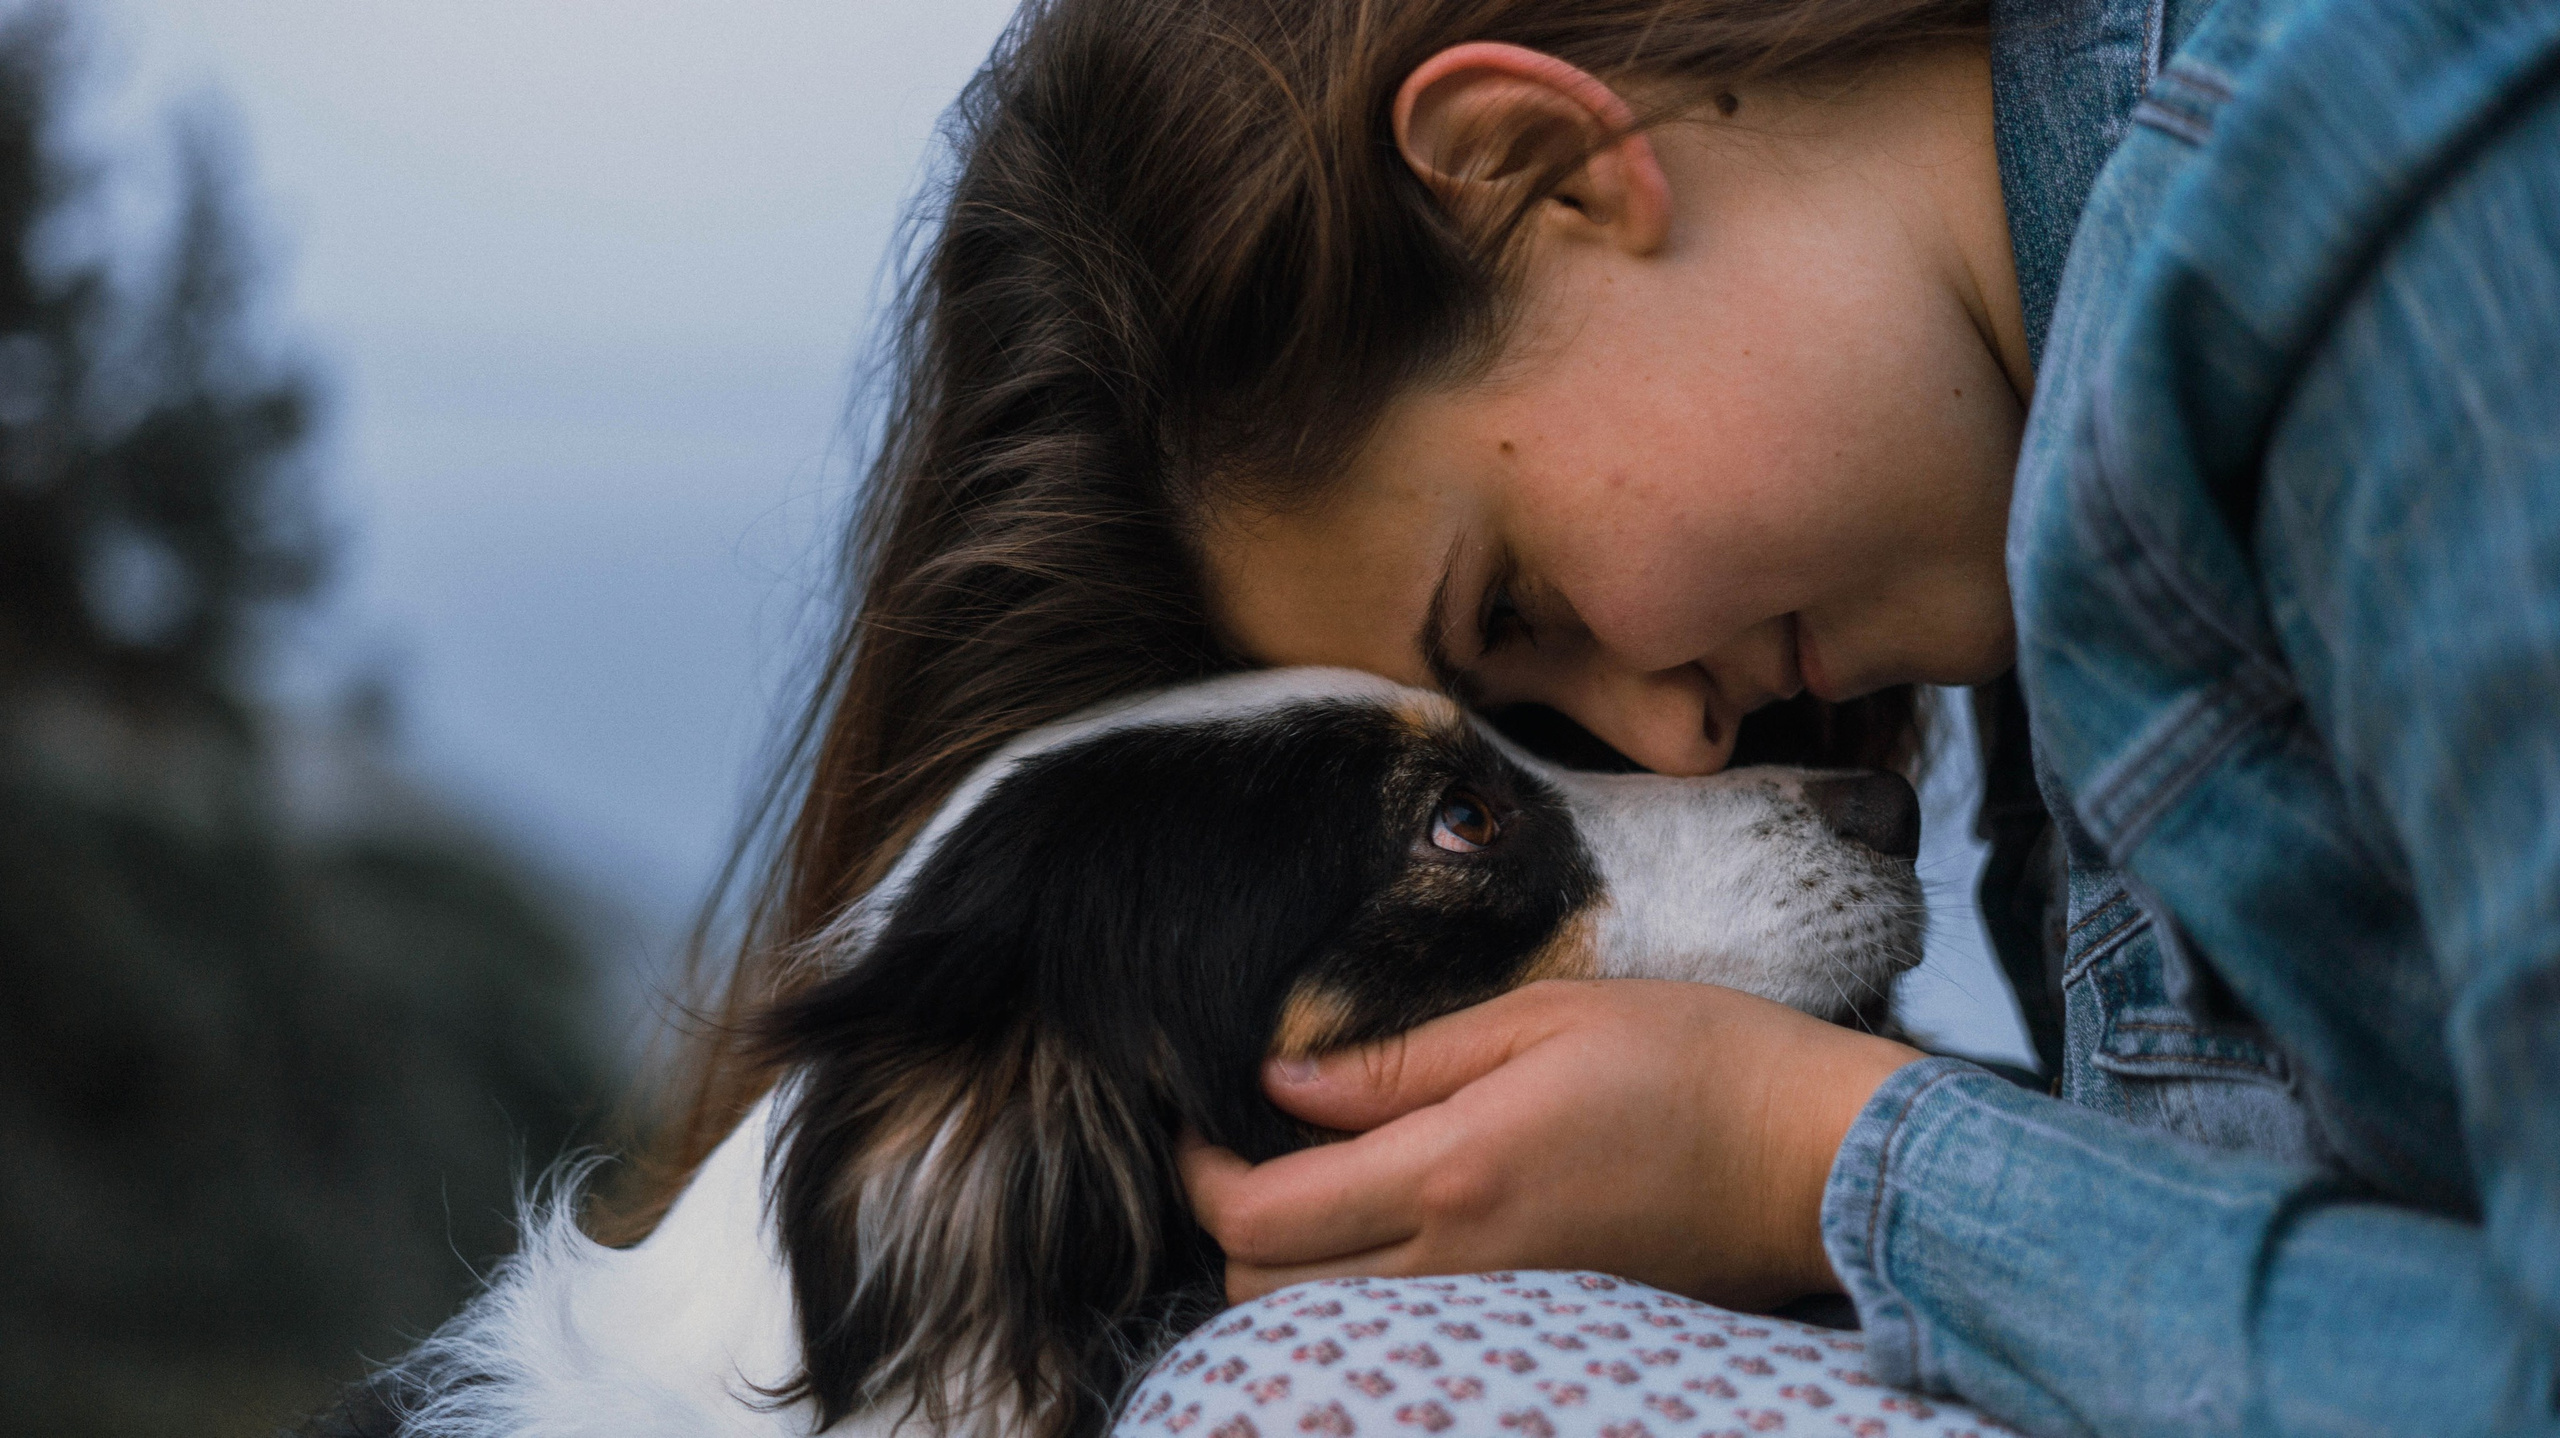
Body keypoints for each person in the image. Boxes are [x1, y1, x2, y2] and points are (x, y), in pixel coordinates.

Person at [630, 0, 2560, 1432]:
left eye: (1516, 609)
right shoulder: (2073, 615)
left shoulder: (2381, 236)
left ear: (1535, 165)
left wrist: (1817, 1160)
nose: (1678, 745)